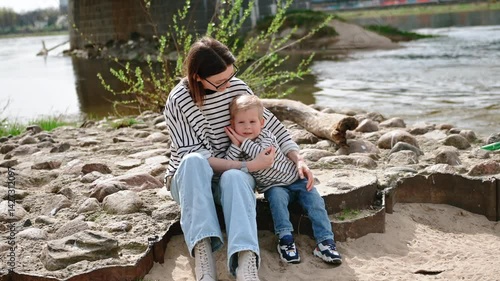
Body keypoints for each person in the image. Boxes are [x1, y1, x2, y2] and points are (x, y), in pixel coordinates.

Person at [163, 36, 303, 281]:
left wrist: (298, 159)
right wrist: (248, 164)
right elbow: (197, 157)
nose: (228, 85)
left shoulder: (237, 88)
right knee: (194, 161)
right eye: (220, 82)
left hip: (232, 175)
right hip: (191, 180)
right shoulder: (178, 101)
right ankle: (204, 260)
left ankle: (246, 262)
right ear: (197, 77)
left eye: (230, 76)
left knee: (235, 178)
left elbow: (271, 126)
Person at [224, 95, 342, 265]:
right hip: (273, 186)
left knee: (315, 203)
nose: (247, 127)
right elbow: (231, 161)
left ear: (262, 123)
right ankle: (286, 240)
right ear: (233, 124)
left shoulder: (267, 137)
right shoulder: (237, 145)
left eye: (252, 122)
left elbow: (263, 155)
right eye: (241, 123)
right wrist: (236, 145)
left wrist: (242, 142)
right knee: (278, 202)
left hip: (296, 179)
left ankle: (325, 242)